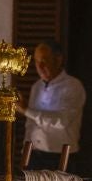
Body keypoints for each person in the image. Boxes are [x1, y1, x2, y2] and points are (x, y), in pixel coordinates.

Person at [24, 40, 85, 168]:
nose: (39, 67)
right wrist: (25, 152)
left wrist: (25, 110)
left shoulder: (72, 86)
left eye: (44, 61)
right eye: (36, 61)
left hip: (60, 157)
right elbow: (30, 124)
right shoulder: (36, 87)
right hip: (34, 155)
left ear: (58, 60)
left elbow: (62, 121)